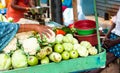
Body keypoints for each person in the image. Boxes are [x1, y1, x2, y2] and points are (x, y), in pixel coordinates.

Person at [84, 8, 120, 73]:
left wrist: (113, 42)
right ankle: (88, 69)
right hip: (114, 35)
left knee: (108, 57)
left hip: (118, 41)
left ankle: (94, 71)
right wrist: (107, 36)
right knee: (100, 50)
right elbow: (114, 23)